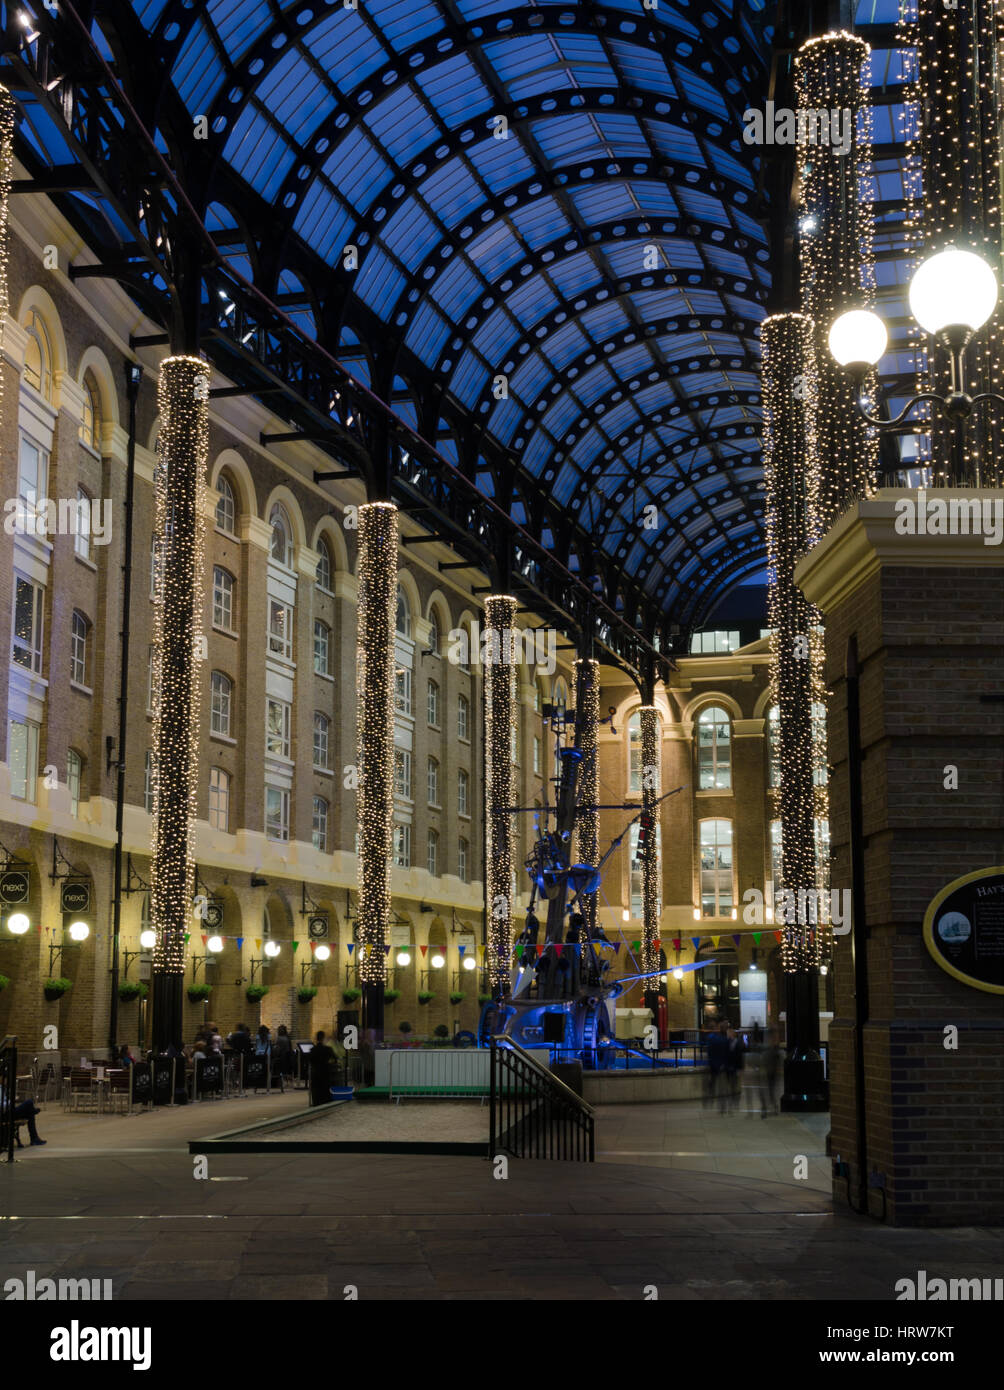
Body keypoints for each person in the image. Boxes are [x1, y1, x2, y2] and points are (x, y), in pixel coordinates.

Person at [704, 1021, 729, 1110]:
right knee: (721, 1086)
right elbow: (725, 1052)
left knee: (712, 1083)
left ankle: (709, 1099)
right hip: (721, 1065)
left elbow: (709, 1052)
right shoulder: (722, 1039)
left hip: (713, 1064)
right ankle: (722, 1105)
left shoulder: (710, 1038)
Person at [758, 1027, 782, 1118]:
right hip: (767, 1071)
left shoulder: (775, 1049)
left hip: (771, 1072)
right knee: (766, 1091)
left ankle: (770, 1108)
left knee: (770, 1091)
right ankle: (767, 1108)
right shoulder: (769, 1048)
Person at [309, 1030, 335, 1107]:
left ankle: (316, 1103)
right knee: (325, 1089)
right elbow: (335, 1058)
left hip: (315, 1072)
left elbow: (310, 1060)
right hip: (325, 1072)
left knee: (316, 1090)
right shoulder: (328, 1049)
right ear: (323, 1038)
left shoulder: (313, 1050)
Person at [725, 1026, 745, 1112]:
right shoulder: (727, 1043)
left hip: (736, 1067)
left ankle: (735, 1101)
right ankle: (731, 1101)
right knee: (731, 1085)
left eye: (729, 1033)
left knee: (735, 1085)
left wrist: (740, 1068)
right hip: (729, 1068)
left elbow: (740, 1057)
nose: (728, 1035)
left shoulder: (738, 1043)